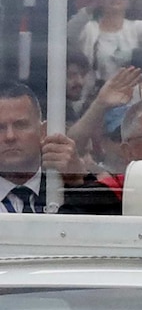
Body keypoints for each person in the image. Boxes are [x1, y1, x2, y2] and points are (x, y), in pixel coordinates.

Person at [0, 81, 89, 213]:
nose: (10, 136)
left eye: (20, 125)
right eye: (0, 128)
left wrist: (80, 183)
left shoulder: (65, 189)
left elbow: (111, 223)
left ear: (43, 132)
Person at [67, 0, 142, 84]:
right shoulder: (90, 29)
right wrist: (94, 4)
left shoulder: (139, 28)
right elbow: (68, 33)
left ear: (129, 0)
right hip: (96, 95)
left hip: (131, 95)